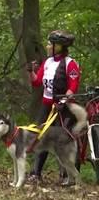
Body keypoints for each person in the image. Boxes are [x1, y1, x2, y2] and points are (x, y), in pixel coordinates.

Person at [27, 30, 81, 185]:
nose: (48, 46)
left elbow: (73, 87)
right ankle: (35, 173)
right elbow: (37, 82)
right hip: (46, 105)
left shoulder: (70, 63)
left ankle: (68, 176)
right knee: (41, 136)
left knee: (63, 140)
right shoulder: (48, 62)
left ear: (59, 46)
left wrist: (62, 102)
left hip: (63, 107)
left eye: (50, 44)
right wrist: (31, 71)